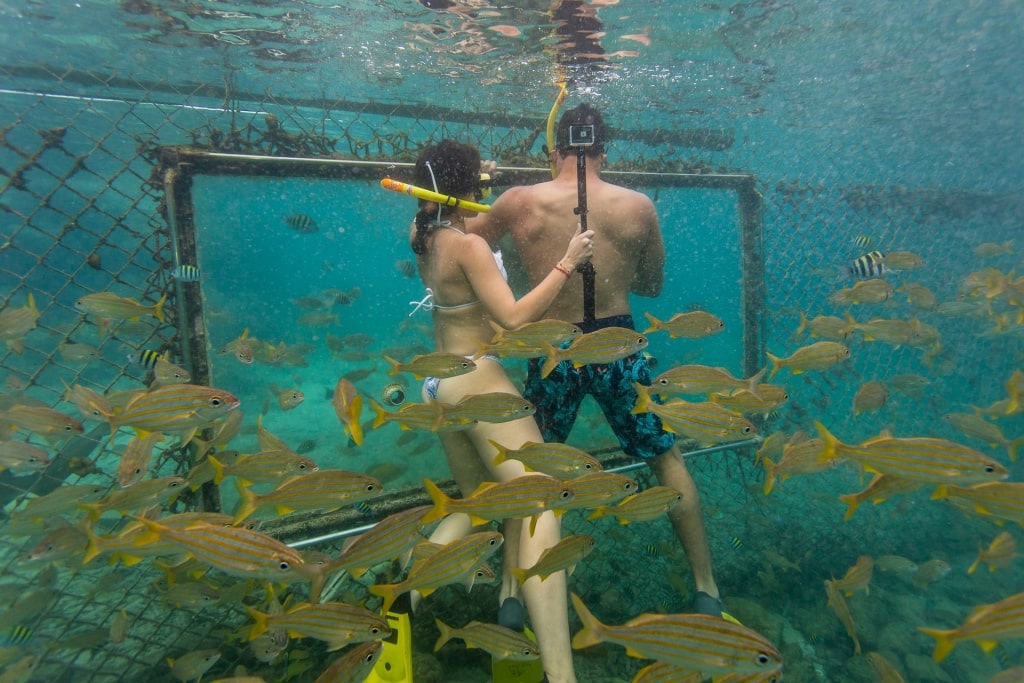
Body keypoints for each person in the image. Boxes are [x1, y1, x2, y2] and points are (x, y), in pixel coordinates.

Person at [468, 103, 725, 617]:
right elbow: (652, 285)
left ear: (553, 150)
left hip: (550, 345)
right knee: (665, 459)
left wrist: (517, 259)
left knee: (527, 468)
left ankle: (511, 594)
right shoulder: (638, 207)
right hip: (618, 344)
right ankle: (706, 589)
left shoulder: (519, 201)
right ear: (605, 149)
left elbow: (465, 246)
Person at [404, 139, 593, 683]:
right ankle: (561, 673)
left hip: (438, 382)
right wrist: (567, 261)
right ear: (468, 187)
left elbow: (447, 221)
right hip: (477, 379)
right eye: (482, 178)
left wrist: (471, 200)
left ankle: (405, 592)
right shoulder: (468, 248)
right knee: (539, 504)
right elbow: (511, 320)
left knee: (482, 503)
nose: (489, 183)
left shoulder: (423, 234)